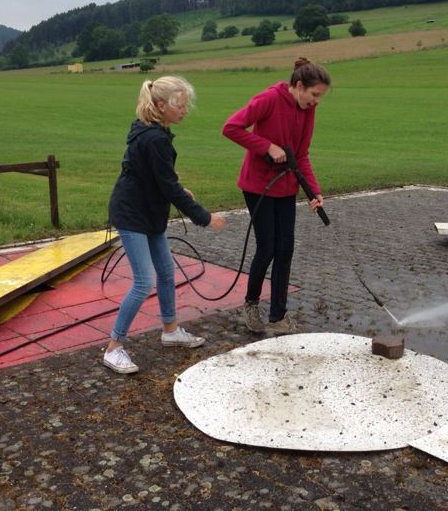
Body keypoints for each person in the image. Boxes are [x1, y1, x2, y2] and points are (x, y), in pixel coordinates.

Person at [104, 77, 226, 374]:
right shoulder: (154, 137)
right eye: (180, 105)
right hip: (132, 214)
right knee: (143, 281)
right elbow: (166, 185)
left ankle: (170, 329)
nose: (185, 110)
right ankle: (113, 347)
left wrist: (178, 188)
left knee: (167, 272)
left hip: (149, 212)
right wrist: (205, 217)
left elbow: (158, 177)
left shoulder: (153, 131)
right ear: (161, 106)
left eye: (185, 105)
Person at [222, 57, 330, 335]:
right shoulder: (269, 99)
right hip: (257, 187)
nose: (317, 101)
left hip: (287, 187)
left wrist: (314, 191)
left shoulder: (308, 110)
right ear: (299, 85)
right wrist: (267, 146)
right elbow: (231, 128)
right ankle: (251, 303)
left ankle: (278, 316)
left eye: (320, 97)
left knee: (285, 248)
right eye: (315, 94)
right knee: (267, 247)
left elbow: (301, 155)